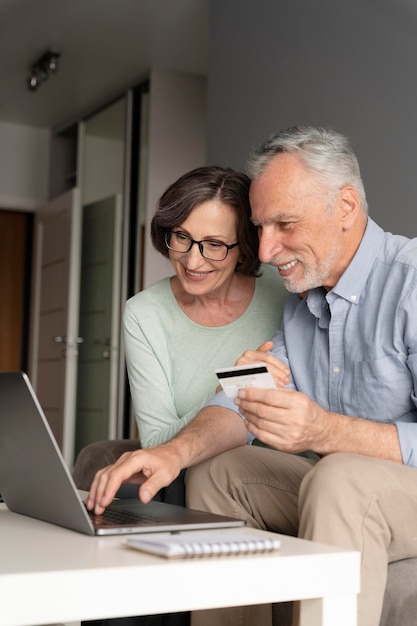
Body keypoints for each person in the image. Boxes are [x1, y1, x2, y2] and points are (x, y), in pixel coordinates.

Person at [87, 126, 417, 626]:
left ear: (346, 207)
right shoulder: (301, 303)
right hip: (339, 481)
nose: (263, 252)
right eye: (261, 228)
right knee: (222, 470)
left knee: (341, 474)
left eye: (284, 224)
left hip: (384, 484)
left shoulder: (410, 282)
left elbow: (332, 446)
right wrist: (171, 453)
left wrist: (325, 431)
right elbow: (246, 403)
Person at [81, 165, 288, 626]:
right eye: (181, 237)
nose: (194, 260)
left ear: (244, 248)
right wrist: (226, 393)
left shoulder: (282, 295)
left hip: (259, 471)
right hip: (180, 470)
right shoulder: (145, 314)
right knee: (134, 485)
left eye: (214, 244)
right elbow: (156, 442)